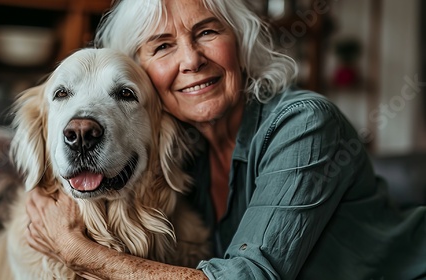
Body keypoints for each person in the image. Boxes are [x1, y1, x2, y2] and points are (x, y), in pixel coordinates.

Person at [25, 0, 426, 279]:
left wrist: (77, 251)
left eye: (207, 32)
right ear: (143, 74)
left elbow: (248, 277)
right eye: (163, 45)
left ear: (241, 42)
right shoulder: (178, 151)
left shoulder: (305, 124)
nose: (191, 60)